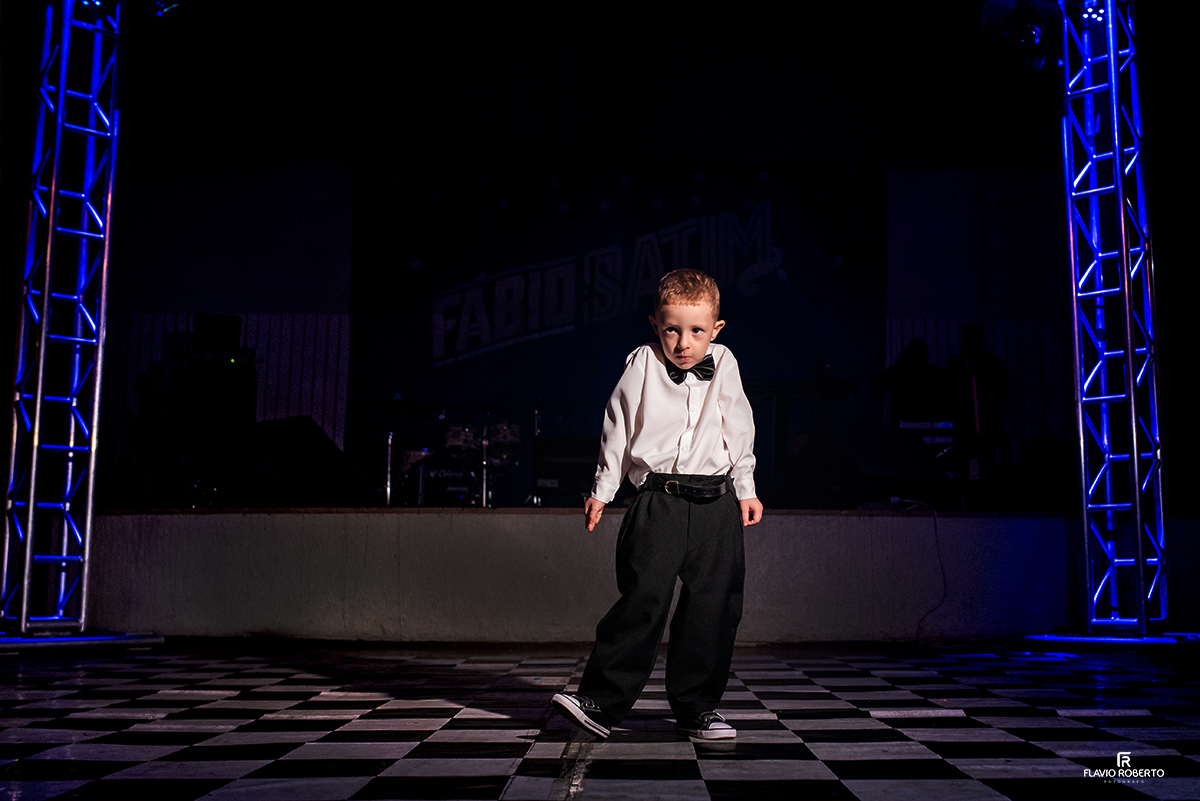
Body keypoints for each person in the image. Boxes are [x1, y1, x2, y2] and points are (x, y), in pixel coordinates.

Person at [552, 268, 763, 741]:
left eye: (696, 331)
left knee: (714, 608)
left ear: (716, 330)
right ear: (655, 325)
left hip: (717, 504)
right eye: (672, 329)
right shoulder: (642, 365)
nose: (683, 343)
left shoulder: (725, 362)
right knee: (643, 600)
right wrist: (601, 492)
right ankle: (600, 703)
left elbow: (739, 424)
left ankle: (698, 710)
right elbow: (618, 427)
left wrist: (746, 487)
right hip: (658, 501)